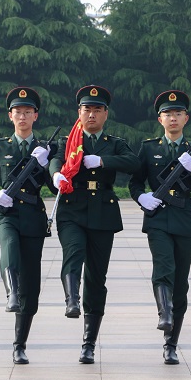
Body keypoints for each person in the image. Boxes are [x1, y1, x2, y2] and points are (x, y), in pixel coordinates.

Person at [49, 85, 140, 364]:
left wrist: (102, 160)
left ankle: (88, 342)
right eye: (87, 109)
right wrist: (55, 175)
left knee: (97, 278)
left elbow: (134, 163)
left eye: (97, 110)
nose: (91, 114)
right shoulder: (69, 141)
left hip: (102, 212)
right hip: (72, 209)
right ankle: (71, 299)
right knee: (73, 252)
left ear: (105, 114)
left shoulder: (114, 143)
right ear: (79, 112)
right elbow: (55, 160)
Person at [128, 90, 191, 365]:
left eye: (178, 114)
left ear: (185, 118)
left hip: (184, 220)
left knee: (180, 284)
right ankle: (164, 314)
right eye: (167, 114)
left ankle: (171, 344)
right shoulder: (148, 148)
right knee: (163, 267)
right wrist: (141, 197)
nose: (173, 118)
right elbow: (135, 182)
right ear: (160, 119)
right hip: (157, 218)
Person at [0, 87, 56, 365]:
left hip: (33, 215)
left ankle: (20, 344)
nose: (22, 116)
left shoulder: (46, 148)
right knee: (9, 245)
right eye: (17, 112)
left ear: (35, 116)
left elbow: (54, 187)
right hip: (6, 213)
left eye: (27, 112)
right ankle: (11, 293)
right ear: (10, 116)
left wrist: (46, 166)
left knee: (31, 281)